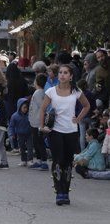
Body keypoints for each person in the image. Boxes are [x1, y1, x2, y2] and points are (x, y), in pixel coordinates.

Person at [38, 64, 91, 205]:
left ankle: (66, 192)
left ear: (71, 76)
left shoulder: (76, 91)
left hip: (71, 131)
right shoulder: (51, 91)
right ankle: (59, 192)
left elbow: (87, 106)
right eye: (60, 72)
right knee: (58, 160)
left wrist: (78, 119)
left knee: (67, 162)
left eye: (66, 73)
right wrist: (42, 126)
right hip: (55, 131)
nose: (62, 75)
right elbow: (42, 109)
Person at [28, 73, 50, 170]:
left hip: (37, 121)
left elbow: (42, 106)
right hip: (35, 120)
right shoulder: (40, 92)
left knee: (39, 141)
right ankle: (39, 160)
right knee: (36, 141)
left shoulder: (38, 93)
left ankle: (44, 161)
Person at [8, 98, 32, 166]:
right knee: (22, 148)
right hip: (20, 134)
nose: (25, 109)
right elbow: (11, 126)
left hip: (29, 134)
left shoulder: (29, 115)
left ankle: (30, 160)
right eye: (24, 107)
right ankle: (23, 160)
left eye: (26, 107)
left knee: (30, 147)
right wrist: (11, 134)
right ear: (19, 107)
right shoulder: (15, 116)